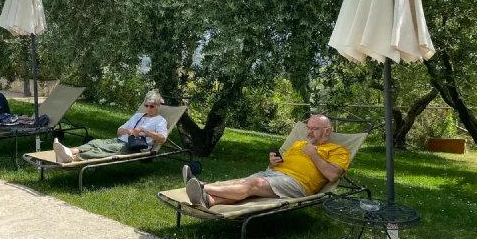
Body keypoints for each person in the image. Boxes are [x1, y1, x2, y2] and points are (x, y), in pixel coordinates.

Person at [184, 114, 350, 208]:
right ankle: (208, 200)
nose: (309, 132)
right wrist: (273, 163)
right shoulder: (299, 144)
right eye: (308, 128)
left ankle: (202, 186)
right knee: (243, 184)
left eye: (315, 129)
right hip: (275, 174)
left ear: (327, 131)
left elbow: (333, 175)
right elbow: (279, 164)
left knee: (253, 184)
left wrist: (313, 154)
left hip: (298, 184)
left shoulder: (339, 151)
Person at [53, 90, 168, 163]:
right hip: (121, 140)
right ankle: (68, 151)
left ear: (158, 106)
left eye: (151, 106)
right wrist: (128, 131)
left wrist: (144, 130)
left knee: (106, 149)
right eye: (146, 105)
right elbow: (119, 131)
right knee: (96, 142)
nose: (148, 108)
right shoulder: (138, 116)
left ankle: (72, 158)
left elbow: (162, 139)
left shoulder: (160, 121)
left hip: (135, 147)